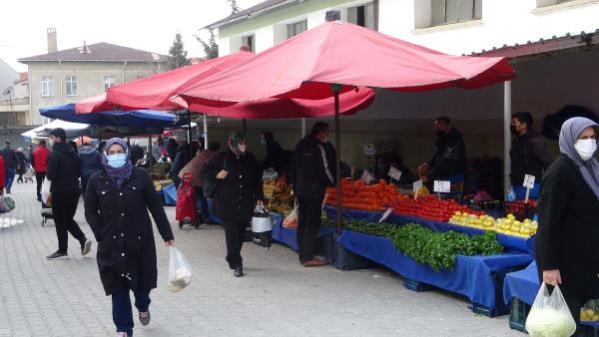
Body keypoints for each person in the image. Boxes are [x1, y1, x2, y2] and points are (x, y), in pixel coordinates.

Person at [84, 138, 174, 337]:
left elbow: (156, 207)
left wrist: (167, 234)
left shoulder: (140, 176)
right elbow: (90, 211)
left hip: (139, 244)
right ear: (106, 155)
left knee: (142, 288)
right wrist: (100, 233)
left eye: (119, 151)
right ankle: (123, 329)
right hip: (111, 246)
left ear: (125, 153)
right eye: (112, 151)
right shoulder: (96, 180)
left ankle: (143, 305)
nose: (116, 155)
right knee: (118, 290)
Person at [536, 117, 599, 336]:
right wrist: (549, 265)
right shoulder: (560, 171)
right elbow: (548, 221)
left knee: (578, 324)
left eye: (592, 137)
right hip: (564, 266)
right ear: (570, 140)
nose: (589, 142)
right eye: (583, 138)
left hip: (585, 262)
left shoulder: (591, 168)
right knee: (565, 326)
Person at [202, 132, 262, 277]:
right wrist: (217, 174)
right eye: (238, 146)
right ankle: (237, 263)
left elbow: (256, 179)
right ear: (231, 145)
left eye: (243, 144)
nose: (241, 148)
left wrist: (260, 197)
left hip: (245, 202)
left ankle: (231, 256)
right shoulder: (220, 157)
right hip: (226, 202)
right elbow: (204, 170)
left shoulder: (250, 158)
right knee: (232, 233)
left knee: (240, 233)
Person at [292, 122, 336, 267]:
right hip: (314, 190)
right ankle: (309, 257)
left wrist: (295, 186)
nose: (328, 136)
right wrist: (334, 183)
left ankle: (302, 255)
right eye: (327, 133)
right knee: (313, 222)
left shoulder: (301, 144)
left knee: (303, 221)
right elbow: (325, 169)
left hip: (300, 189)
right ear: (321, 133)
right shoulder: (318, 147)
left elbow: (294, 167)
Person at [45, 128, 92, 260]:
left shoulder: (54, 154)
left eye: (52, 137)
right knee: (67, 219)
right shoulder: (73, 152)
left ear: (58, 138)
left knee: (60, 221)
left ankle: (62, 250)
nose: (51, 140)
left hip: (60, 191)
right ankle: (83, 240)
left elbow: (50, 175)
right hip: (74, 191)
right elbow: (78, 172)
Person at [510, 112, 553, 200]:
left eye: (514, 123)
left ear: (524, 125)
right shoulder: (516, 142)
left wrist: (546, 184)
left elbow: (548, 163)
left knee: (531, 211)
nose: (512, 125)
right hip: (517, 186)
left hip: (532, 187)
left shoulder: (535, 141)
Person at [179, 142, 219, 224]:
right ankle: (205, 217)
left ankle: (194, 215)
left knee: (192, 198)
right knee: (201, 197)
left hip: (184, 175)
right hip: (193, 177)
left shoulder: (204, 152)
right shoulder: (212, 155)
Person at [417, 116, 466, 185]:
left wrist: (428, 176)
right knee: (420, 187)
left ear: (448, 126)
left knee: (443, 195)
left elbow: (447, 161)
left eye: (440, 125)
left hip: (453, 176)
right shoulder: (442, 139)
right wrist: (427, 164)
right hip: (442, 175)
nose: (437, 127)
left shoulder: (455, 139)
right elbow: (437, 153)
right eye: (436, 125)